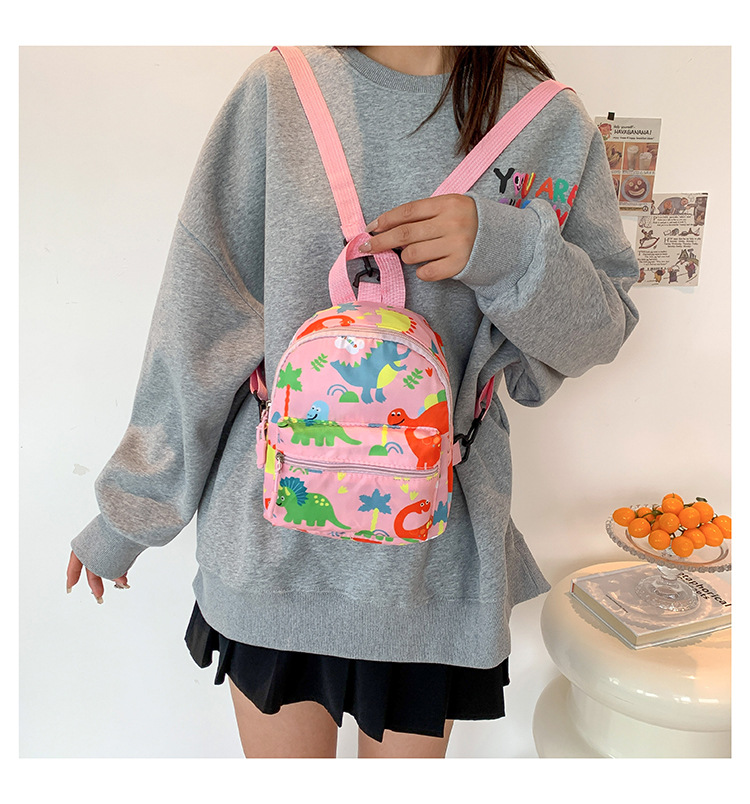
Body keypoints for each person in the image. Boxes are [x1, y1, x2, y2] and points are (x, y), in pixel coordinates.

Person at [66, 46, 640, 759]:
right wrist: (131, 512)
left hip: (432, 572)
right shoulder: (279, 91)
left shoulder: (548, 121)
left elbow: (596, 334)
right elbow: (200, 322)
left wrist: (508, 250)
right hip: (274, 557)